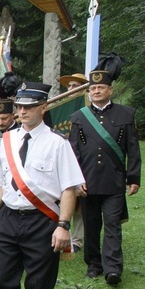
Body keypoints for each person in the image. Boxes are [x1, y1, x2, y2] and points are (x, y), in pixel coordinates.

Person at [0, 82, 84, 289]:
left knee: (39, 285)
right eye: (19, 107)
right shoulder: (6, 141)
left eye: (28, 107)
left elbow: (68, 188)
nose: (22, 112)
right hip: (9, 218)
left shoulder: (57, 144)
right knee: (1, 279)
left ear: (43, 107)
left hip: (42, 221)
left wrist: (63, 225)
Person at [69, 58, 141, 285]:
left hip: (114, 181)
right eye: (93, 88)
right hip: (87, 181)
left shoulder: (126, 114)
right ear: (88, 92)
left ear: (110, 89)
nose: (97, 91)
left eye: (101, 87)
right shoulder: (79, 117)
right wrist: (75, 180)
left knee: (112, 224)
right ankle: (94, 264)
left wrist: (133, 177)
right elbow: (74, 152)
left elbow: (132, 148)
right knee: (91, 226)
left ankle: (112, 269)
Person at [58, 73, 89, 252]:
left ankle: (77, 239)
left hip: (82, 163)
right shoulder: (60, 108)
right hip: (61, 160)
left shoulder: (88, 109)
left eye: (75, 85)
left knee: (79, 205)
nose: (71, 89)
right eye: (69, 86)